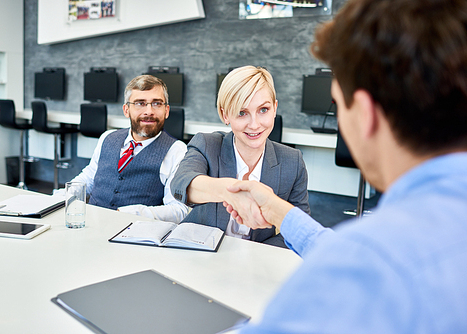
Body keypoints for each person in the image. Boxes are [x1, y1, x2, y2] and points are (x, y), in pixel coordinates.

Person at [223, 0, 467, 332]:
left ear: (365, 115)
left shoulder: (368, 263)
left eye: (339, 104)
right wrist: (279, 212)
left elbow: (365, 262)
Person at [171, 66, 310, 247]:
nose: (254, 124)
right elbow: (181, 184)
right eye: (242, 113)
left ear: (275, 108)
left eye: (263, 110)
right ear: (225, 114)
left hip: (255, 262)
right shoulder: (207, 144)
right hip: (197, 253)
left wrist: (253, 256)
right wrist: (233, 193)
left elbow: (300, 227)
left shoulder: (293, 161)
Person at [69, 74, 188, 223]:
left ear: (167, 110)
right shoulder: (107, 137)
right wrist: (66, 195)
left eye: (157, 103)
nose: (149, 111)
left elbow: (179, 210)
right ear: (126, 110)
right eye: (140, 103)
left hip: (135, 234)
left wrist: (133, 212)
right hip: (92, 224)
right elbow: (89, 177)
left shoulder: (176, 151)